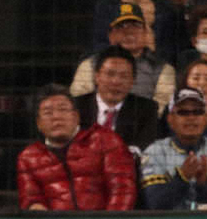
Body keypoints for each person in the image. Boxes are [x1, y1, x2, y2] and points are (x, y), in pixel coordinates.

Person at [18, 83, 137, 211]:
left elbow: (122, 189)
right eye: (48, 113)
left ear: (76, 117)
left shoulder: (105, 140)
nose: (56, 117)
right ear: (39, 124)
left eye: (63, 109)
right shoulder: (28, 157)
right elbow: (31, 199)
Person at [140, 87, 207, 211]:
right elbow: (154, 203)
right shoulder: (155, 152)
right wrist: (182, 178)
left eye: (197, 112)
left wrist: (204, 185)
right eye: (183, 112)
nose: (191, 117)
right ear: (170, 119)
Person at [70, 5, 176, 116]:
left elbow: (160, 109)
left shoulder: (163, 68)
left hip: (142, 127)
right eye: (121, 26)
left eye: (135, 26)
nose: (129, 32)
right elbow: (78, 101)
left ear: (146, 33)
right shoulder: (90, 64)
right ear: (110, 36)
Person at [73, 46, 160, 153]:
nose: (116, 81)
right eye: (110, 74)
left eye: (124, 76)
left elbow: (144, 150)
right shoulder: (76, 106)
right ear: (97, 76)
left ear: (133, 81)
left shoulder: (146, 109)